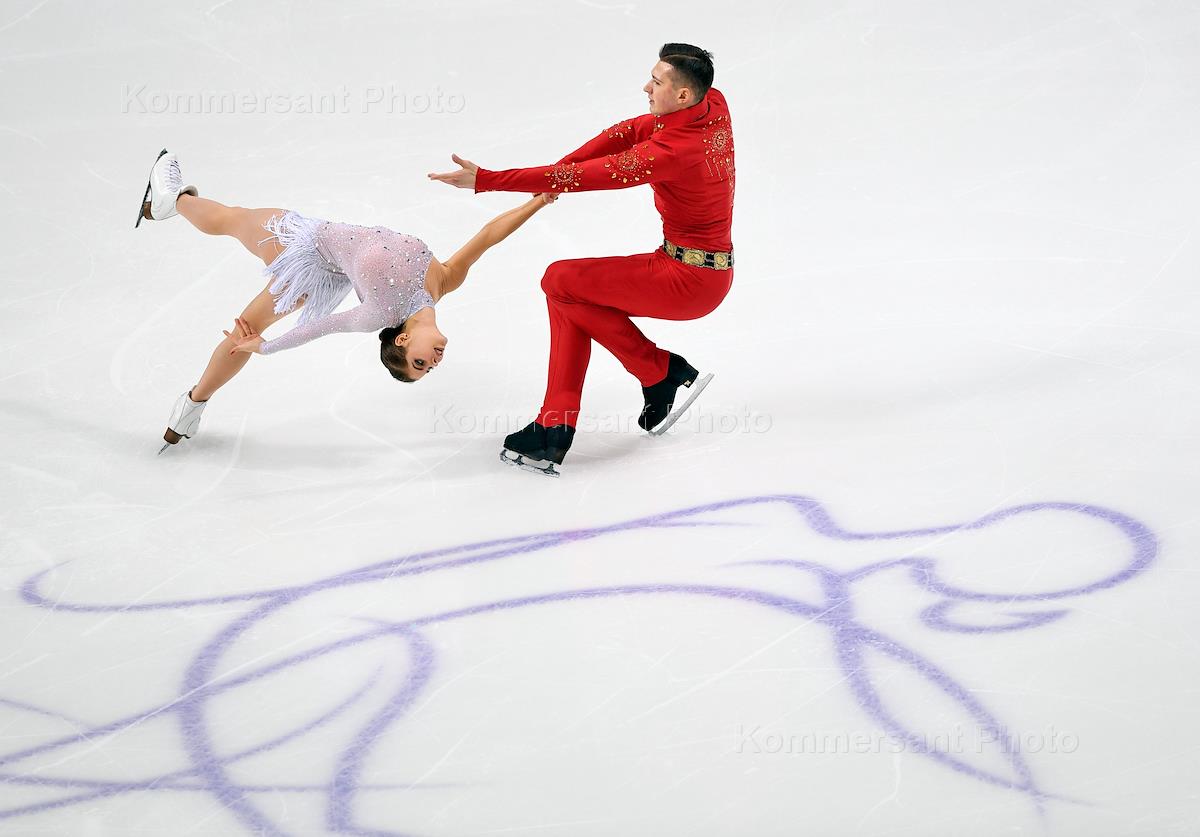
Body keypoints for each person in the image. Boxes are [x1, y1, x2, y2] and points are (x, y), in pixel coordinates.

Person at [429, 43, 735, 477]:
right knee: (567, 294)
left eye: (657, 82)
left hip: (688, 282)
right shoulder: (713, 104)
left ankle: (636, 382)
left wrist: (488, 179)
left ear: (683, 95)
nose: (646, 87)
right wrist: (559, 173)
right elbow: (627, 132)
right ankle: (575, 415)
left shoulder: (671, 153)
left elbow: (589, 177)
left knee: (560, 280)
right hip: (694, 267)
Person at [135, 149, 556, 453]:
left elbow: (321, 327)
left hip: (302, 246)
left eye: (420, 363)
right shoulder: (445, 282)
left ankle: (174, 199)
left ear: (403, 341)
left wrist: (265, 348)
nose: (434, 362)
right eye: (429, 368)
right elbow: (488, 235)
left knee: (233, 219)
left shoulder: (380, 313)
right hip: (328, 268)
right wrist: (538, 199)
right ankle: (190, 408)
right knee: (244, 315)